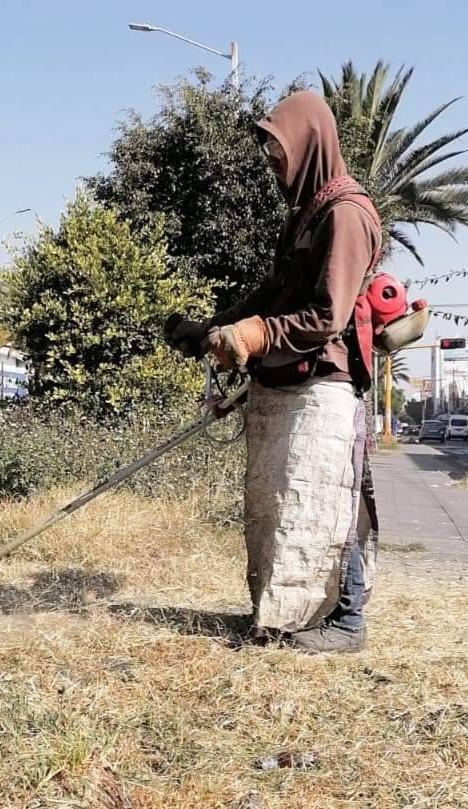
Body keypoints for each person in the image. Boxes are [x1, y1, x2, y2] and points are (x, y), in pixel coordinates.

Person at [166, 90, 381, 654]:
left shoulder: (346, 215)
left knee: (325, 504)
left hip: (325, 386)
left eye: (277, 150)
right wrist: (212, 329)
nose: (271, 163)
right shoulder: (304, 216)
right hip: (288, 381)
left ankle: (347, 621)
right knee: (286, 508)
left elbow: (326, 315)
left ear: (308, 143)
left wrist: (257, 335)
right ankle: (286, 617)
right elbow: (272, 293)